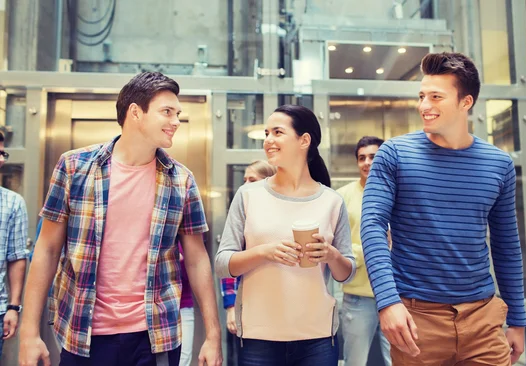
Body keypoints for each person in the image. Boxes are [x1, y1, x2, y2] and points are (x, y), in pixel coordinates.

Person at [18, 72, 223, 366]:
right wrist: (29, 333)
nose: (176, 121)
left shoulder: (181, 180)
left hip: (155, 336)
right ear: (135, 112)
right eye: (167, 112)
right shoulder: (75, 166)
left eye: (177, 113)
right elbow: (47, 249)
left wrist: (212, 336)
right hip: (82, 332)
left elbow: (196, 258)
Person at [361, 52, 526, 366]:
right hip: (417, 320)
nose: (424, 105)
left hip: (483, 318)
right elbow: (372, 227)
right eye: (422, 96)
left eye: (436, 97)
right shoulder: (394, 154)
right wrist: (387, 303)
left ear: (466, 102)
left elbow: (506, 245)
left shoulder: (499, 164)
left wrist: (517, 320)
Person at [215, 104, 356, 366]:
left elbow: (345, 273)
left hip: (318, 337)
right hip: (259, 337)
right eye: (267, 133)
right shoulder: (248, 196)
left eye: (277, 132)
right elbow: (222, 264)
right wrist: (263, 252)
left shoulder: (332, 201)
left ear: (304, 140)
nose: (268, 140)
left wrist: (332, 254)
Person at [337, 136, 391, 366]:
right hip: (358, 298)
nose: (367, 162)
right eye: (362, 158)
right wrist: (375, 249)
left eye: (373, 156)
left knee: (401, 360)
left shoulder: (401, 193)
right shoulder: (342, 197)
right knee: (355, 363)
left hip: (398, 296)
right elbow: (338, 246)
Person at [221, 160, 276, 335]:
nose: (245, 186)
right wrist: (231, 307)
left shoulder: (281, 215)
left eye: (252, 180)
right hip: (249, 305)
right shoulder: (241, 216)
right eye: (244, 180)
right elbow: (228, 263)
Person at [0, 131, 28, 358]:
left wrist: (13, 307)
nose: (1, 159)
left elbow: (17, 257)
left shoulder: (13, 203)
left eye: (2, 153)